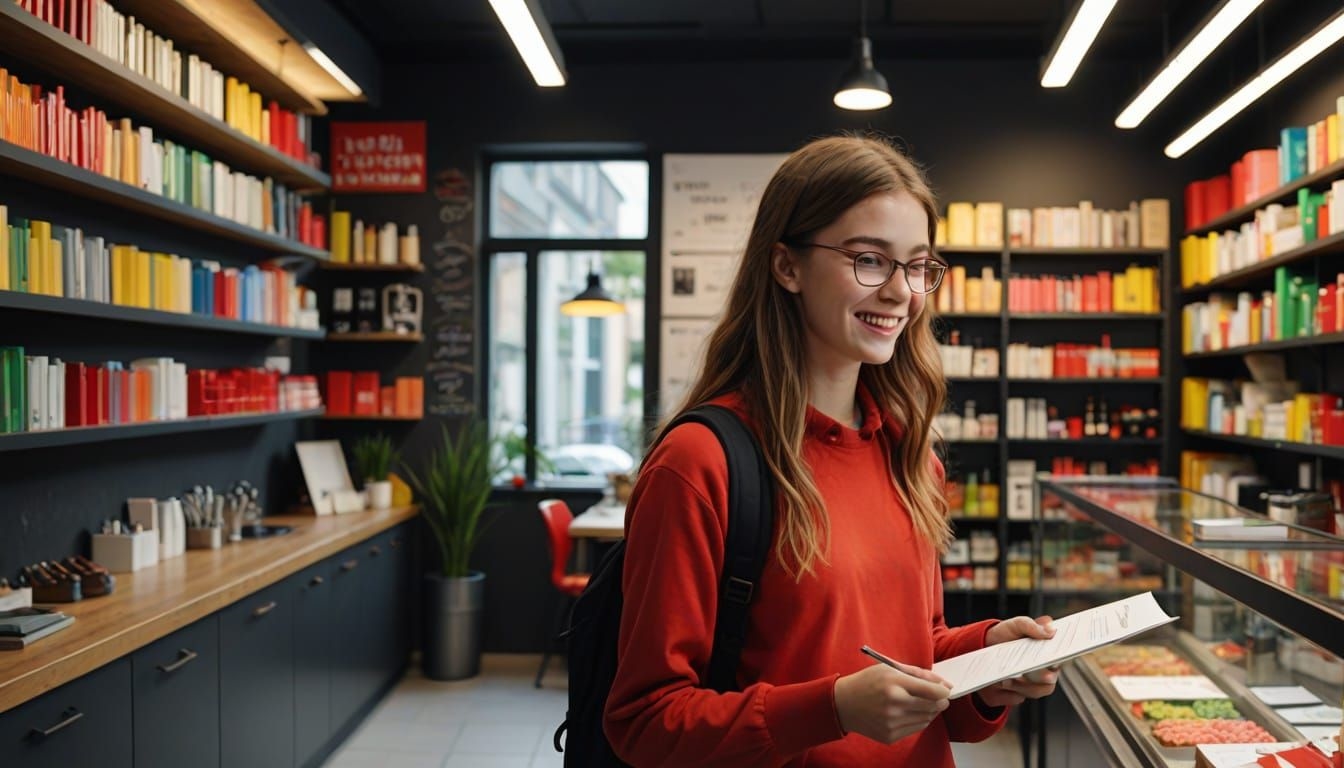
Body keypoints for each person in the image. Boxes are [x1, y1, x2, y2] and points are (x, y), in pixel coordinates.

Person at [604, 134, 1058, 767]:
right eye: (869, 260)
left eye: (918, 266)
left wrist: (989, 662)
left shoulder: (910, 459)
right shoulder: (700, 463)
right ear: (786, 266)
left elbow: (911, 651)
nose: (901, 292)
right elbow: (645, 723)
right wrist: (834, 708)